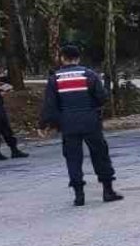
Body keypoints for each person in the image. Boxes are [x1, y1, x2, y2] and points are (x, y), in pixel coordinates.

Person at [39, 44, 122, 206]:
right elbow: (102, 97)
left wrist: (44, 124)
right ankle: (108, 191)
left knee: (73, 159)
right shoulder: (89, 75)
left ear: (62, 58)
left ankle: (79, 195)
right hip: (91, 121)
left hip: (68, 124)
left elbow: (50, 105)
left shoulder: (55, 79)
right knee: (100, 154)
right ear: (78, 58)